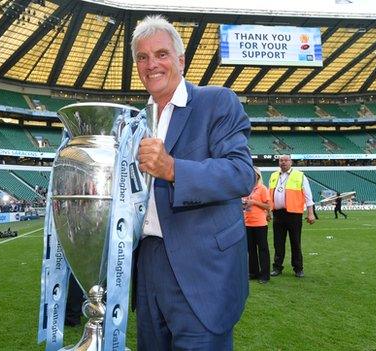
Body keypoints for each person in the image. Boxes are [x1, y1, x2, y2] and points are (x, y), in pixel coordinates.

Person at [133, 15, 254, 350]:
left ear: (181, 60)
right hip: (148, 263)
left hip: (202, 269)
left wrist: (173, 169)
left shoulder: (216, 101)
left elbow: (241, 173)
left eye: (161, 54)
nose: (151, 64)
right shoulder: (134, 122)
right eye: (142, 58)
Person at [268, 155, 315, 278]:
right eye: (281, 160)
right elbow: (270, 196)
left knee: (295, 242)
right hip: (278, 213)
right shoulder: (274, 176)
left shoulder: (300, 175)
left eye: (286, 160)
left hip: (294, 214)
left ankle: (298, 268)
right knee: (278, 242)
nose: (283, 162)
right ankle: (277, 267)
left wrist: (310, 213)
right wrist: (268, 212)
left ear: (291, 162)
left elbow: (308, 196)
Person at [242, 167, 271, 283]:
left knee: (263, 249)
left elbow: (268, 206)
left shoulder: (262, 188)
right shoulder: (246, 189)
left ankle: (264, 275)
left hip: (259, 223)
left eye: (254, 174)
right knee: (251, 249)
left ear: (258, 176)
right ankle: (253, 272)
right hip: (247, 222)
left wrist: (253, 202)